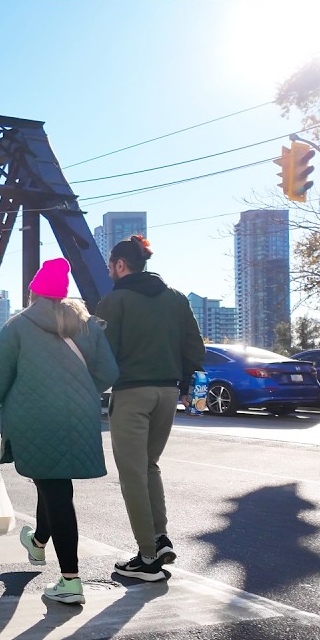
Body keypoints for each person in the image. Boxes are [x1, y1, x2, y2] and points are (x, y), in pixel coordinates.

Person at [0, 258, 118, 604]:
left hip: (34, 417)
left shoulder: (19, 325)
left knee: (55, 491)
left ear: (34, 291)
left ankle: (70, 579)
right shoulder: (88, 325)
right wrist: (82, 389)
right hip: (78, 416)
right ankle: (37, 544)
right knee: (52, 484)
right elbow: (109, 372)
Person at [95, 236, 205, 582]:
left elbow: (102, 357)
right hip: (167, 395)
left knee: (132, 474)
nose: (110, 271)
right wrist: (188, 388)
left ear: (121, 265)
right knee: (149, 466)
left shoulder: (114, 302)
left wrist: (88, 390)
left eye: (111, 265)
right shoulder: (176, 299)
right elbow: (194, 347)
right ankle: (159, 539)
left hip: (132, 394)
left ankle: (146, 558)